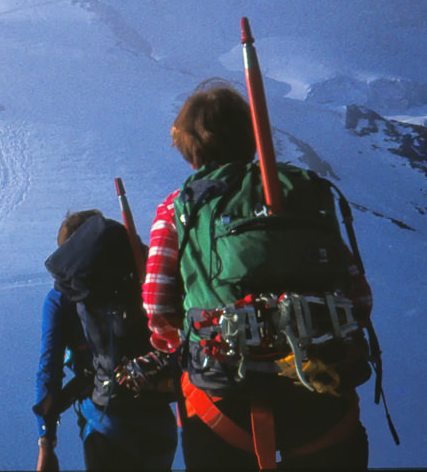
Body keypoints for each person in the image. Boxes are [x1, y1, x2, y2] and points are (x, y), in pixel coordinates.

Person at [141, 80, 372, 469]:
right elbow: (359, 296)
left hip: (223, 399)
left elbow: (157, 307)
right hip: (322, 386)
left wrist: (192, 340)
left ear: (190, 151)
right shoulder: (300, 193)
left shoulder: (177, 208)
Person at [35, 209, 178, 471]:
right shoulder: (138, 276)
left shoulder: (59, 299)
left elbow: (48, 371)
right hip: (160, 424)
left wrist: (46, 442)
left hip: (106, 423)